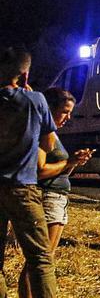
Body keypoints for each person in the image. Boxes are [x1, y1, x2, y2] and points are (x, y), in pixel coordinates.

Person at [20, 88, 92, 298]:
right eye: (64, 112)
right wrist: (68, 161)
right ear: (49, 109)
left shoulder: (51, 134)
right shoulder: (41, 133)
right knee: (40, 260)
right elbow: (40, 171)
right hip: (48, 198)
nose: (68, 117)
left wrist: (73, 163)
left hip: (57, 198)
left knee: (43, 259)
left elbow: (60, 170)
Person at [0, 48, 59, 298]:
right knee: (40, 259)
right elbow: (49, 145)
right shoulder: (36, 101)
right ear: (25, 75)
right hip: (22, 188)